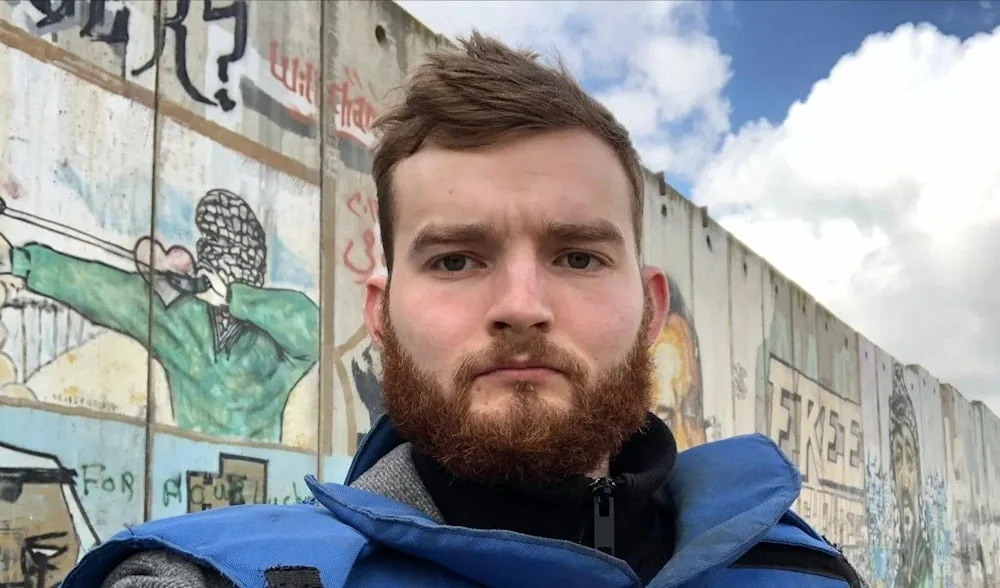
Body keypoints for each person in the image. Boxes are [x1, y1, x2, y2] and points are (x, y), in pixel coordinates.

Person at [62, 32, 866, 588]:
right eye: (456, 260)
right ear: (379, 315)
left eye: (577, 256)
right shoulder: (206, 578)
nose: (521, 306)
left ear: (652, 310)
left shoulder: (804, 571)